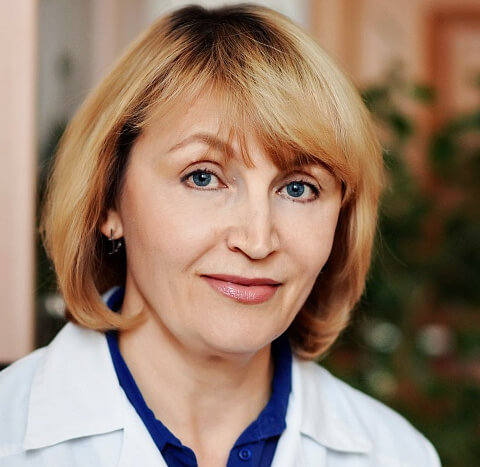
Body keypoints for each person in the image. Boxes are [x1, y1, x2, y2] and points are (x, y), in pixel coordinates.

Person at [0, 4, 440, 467]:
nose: (257, 241)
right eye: (203, 177)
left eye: (298, 188)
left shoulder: (400, 455)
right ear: (108, 200)